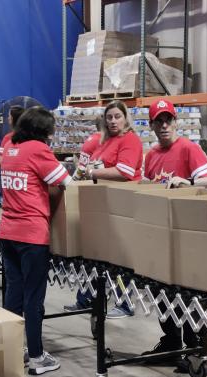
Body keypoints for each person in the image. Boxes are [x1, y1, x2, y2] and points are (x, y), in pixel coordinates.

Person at [142, 98, 207, 363]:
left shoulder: (188, 148)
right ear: (152, 125)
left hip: (186, 236)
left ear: (176, 122)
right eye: (159, 121)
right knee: (160, 292)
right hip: (160, 236)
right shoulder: (152, 155)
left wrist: (187, 181)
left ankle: (195, 349)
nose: (164, 126)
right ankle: (172, 343)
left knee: (187, 295)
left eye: (168, 120)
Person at [0, 107, 71, 376]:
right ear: (42, 131)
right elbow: (66, 181)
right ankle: (38, 357)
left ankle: (12, 350)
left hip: (8, 232)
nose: (52, 136)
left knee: (14, 294)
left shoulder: (10, 148)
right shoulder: (37, 150)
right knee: (33, 298)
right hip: (31, 234)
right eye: (50, 131)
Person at [64, 100, 143, 318]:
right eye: (109, 117)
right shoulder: (104, 142)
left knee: (121, 256)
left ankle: (125, 303)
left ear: (126, 118)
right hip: (104, 205)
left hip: (123, 205)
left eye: (117, 116)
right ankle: (86, 299)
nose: (113, 121)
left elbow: (124, 171)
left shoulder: (130, 140)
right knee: (96, 255)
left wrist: (92, 173)